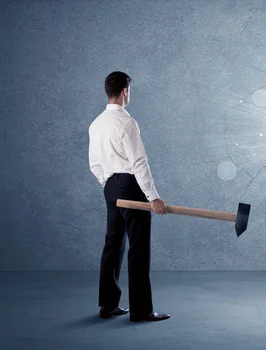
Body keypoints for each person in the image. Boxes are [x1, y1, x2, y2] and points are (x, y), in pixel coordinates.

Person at [88, 71, 170, 322]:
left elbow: (94, 165)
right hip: (131, 185)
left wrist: (108, 185)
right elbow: (139, 163)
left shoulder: (96, 123)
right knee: (138, 247)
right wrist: (153, 197)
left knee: (112, 245)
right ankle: (142, 310)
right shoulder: (127, 122)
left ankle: (108, 305)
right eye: (129, 90)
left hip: (110, 186)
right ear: (125, 91)